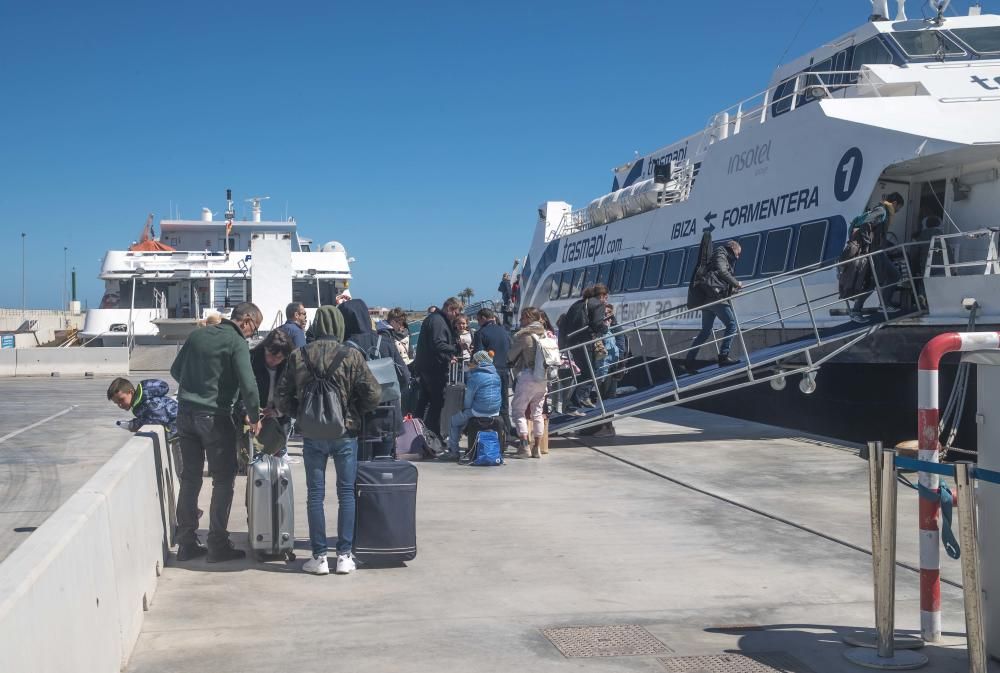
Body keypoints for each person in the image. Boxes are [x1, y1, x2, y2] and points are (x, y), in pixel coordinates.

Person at [275, 305, 381, 576]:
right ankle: (344, 555)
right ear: (339, 326)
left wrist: (300, 415)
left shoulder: (299, 355)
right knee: (346, 493)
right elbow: (373, 394)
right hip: (345, 432)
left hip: (312, 434)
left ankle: (319, 556)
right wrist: (354, 413)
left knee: (315, 495)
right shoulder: (352, 355)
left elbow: (282, 396)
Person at [170, 301, 263, 563]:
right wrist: (255, 416)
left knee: (190, 478)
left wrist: (196, 390)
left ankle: (186, 543)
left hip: (185, 414)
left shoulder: (197, 335)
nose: (251, 334)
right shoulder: (236, 343)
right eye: (254, 329)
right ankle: (217, 543)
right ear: (245, 320)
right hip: (214, 418)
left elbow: (176, 370)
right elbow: (249, 384)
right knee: (223, 480)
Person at [338, 298, 410, 459]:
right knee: (383, 470)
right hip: (388, 414)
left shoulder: (345, 348)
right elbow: (405, 377)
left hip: (360, 418)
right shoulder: (385, 342)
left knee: (360, 468)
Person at [846, 192, 905, 322]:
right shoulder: (881, 211)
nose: (898, 211)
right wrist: (867, 246)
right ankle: (856, 311)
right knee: (873, 281)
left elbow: (878, 234)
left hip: (879, 252)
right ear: (895, 204)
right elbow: (863, 224)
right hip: (873, 253)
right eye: (899, 207)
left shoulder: (884, 212)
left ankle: (885, 305)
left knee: (894, 275)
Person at [684, 241, 742, 373]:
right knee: (732, 325)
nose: (738, 257)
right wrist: (737, 283)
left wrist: (732, 290)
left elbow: (716, 279)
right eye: (738, 253)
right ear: (733, 248)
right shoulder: (721, 254)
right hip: (715, 299)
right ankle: (723, 356)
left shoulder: (722, 256)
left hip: (708, 300)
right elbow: (722, 272)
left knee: (705, 332)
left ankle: (689, 361)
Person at [414, 297, 462, 435]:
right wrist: (455, 349)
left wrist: (448, 355)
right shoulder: (438, 321)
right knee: (436, 403)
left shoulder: (435, 319)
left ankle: (421, 434)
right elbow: (438, 343)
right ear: (450, 309)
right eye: (456, 313)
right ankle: (432, 435)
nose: (456, 317)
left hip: (427, 367)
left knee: (424, 402)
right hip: (433, 369)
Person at [508, 307, 549, 458]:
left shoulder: (525, 336)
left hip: (528, 376)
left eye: (522, 319)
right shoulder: (546, 334)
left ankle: (524, 445)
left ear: (528, 318)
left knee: (518, 411)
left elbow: (510, 356)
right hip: (543, 378)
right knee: (537, 413)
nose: (520, 322)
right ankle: (537, 447)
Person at [247, 329, 294, 457]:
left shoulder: (290, 365)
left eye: (279, 357)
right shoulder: (251, 360)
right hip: (253, 417)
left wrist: (277, 411)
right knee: (253, 458)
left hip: (280, 418)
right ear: (265, 348)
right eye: (269, 354)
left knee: (277, 455)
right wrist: (249, 411)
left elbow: (293, 395)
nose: (273, 360)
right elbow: (242, 391)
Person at [446, 350, 502, 458]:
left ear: (478, 362)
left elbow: (468, 399)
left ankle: (454, 451)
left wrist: (465, 410)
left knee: (454, 421)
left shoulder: (475, 377)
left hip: (478, 410)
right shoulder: (496, 375)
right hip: (495, 410)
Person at [562, 284, 610, 411]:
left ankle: (578, 399)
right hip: (585, 342)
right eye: (606, 297)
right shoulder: (598, 305)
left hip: (573, 342)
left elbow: (565, 323)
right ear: (601, 295)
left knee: (586, 372)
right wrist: (605, 328)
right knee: (590, 373)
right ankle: (577, 400)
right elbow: (597, 324)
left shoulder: (577, 304)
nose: (606, 300)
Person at [472, 307, 512, 438]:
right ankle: (507, 432)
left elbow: (479, 355)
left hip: (489, 373)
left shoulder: (480, 333)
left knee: (489, 405)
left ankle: (493, 434)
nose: (478, 322)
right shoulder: (504, 331)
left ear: (483, 318)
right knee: (504, 404)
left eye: (478, 320)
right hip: (504, 371)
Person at [107, 377, 178, 436]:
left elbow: (158, 420)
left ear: (131, 392)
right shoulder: (142, 402)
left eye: (121, 399)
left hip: (179, 432)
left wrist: (133, 425)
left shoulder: (148, 402)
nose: (120, 405)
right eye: (116, 403)